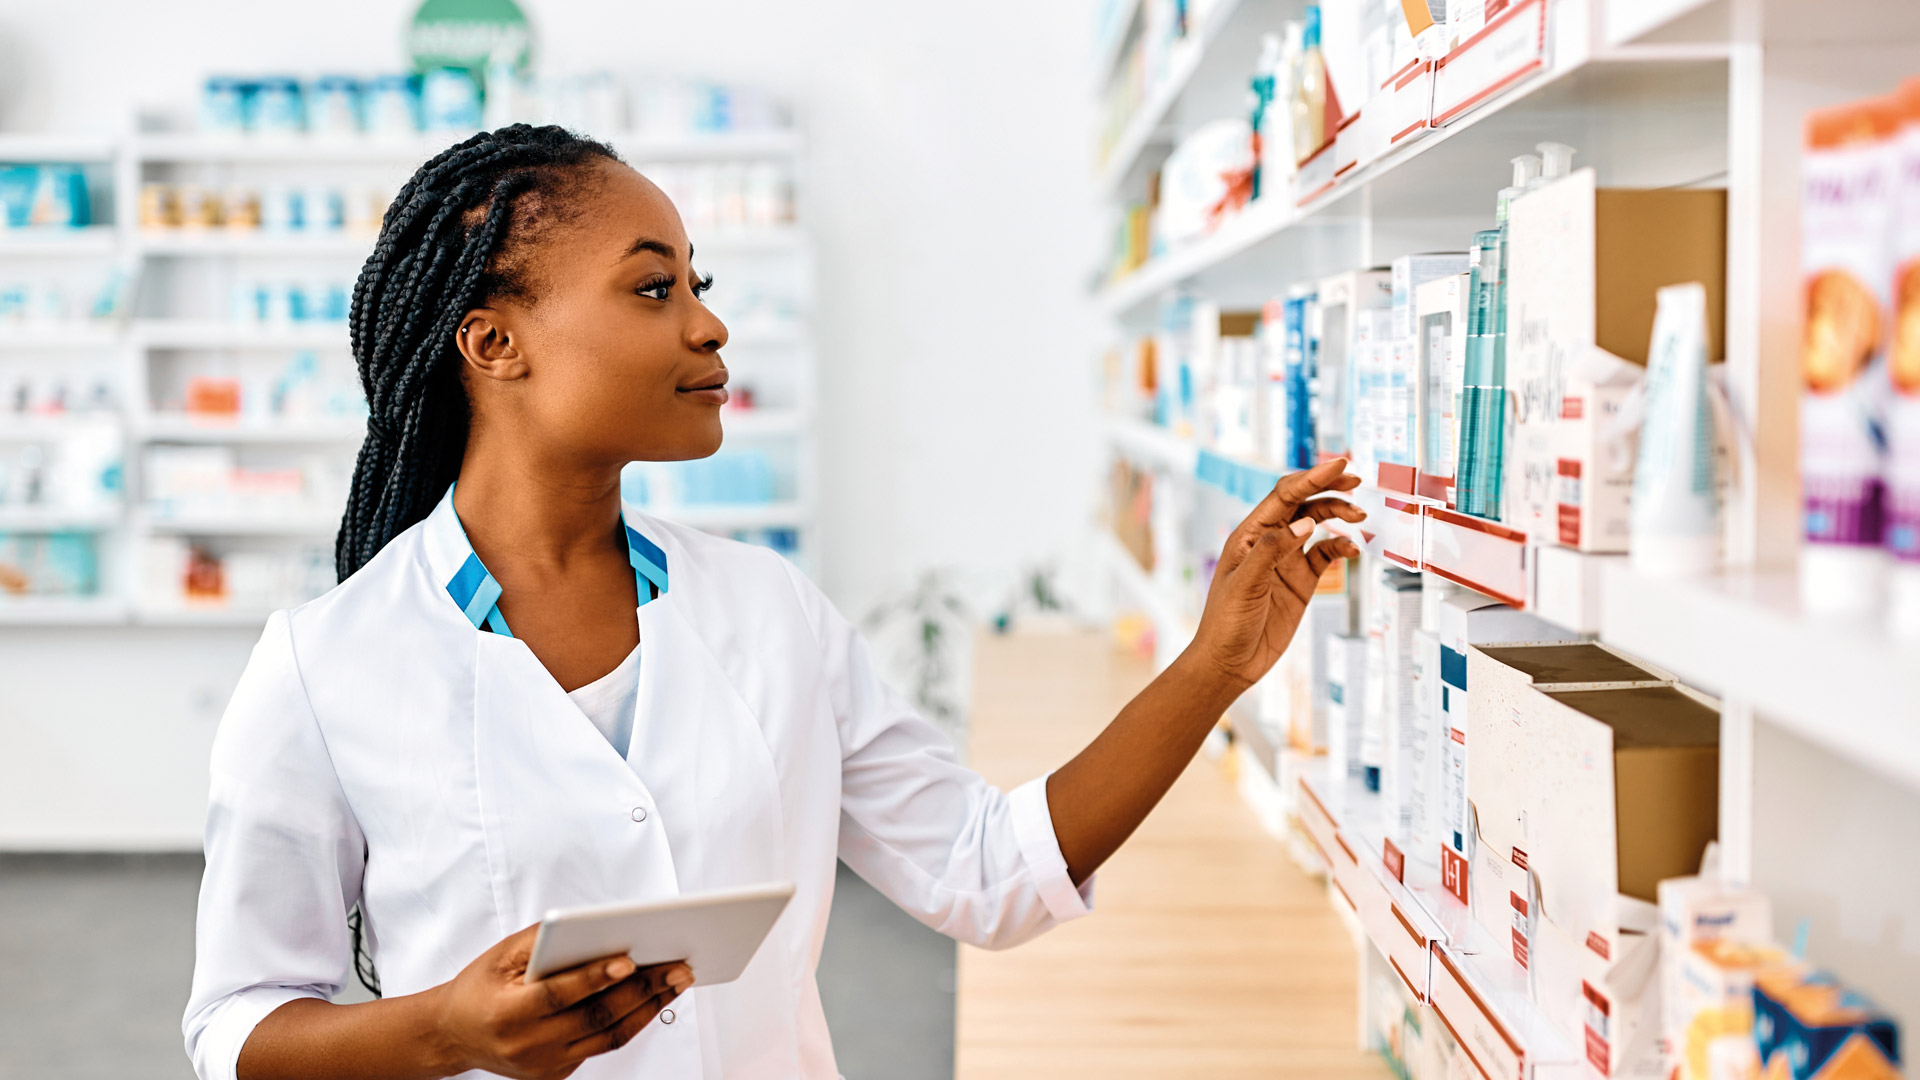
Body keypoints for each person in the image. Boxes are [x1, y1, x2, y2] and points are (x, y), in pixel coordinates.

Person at [182, 124, 1364, 1080]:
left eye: (697, 283)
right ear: (493, 343)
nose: (708, 322)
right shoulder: (327, 665)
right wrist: (446, 1031)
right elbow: (237, 1024)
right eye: (651, 289)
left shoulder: (766, 610)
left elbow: (987, 872)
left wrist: (1218, 662)